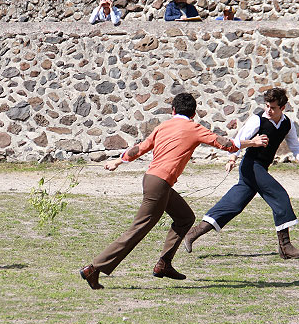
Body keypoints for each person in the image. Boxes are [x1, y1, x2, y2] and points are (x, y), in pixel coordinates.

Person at [79, 93, 268, 289]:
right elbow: (228, 145)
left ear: (173, 110)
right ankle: (94, 268)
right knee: (138, 228)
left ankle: (164, 264)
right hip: (159, 184)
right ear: (193, 114)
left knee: (185, 217)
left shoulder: (164, 126)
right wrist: (252, 143)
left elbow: (140, 148)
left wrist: (118, 161)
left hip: (153, 180)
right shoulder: (194, 127)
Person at [184, 88, 299, 259]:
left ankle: (192, 234)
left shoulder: (287, 124)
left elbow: (296, 147)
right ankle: (285, 247)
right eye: (267, 106)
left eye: (273, 108)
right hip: (251, 166)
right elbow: (238, 140)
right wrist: (232, 159)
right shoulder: (257, 120)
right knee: (280, 196)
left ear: (282, 108)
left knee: (233, 204)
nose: (268, 110)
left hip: (261, 168)